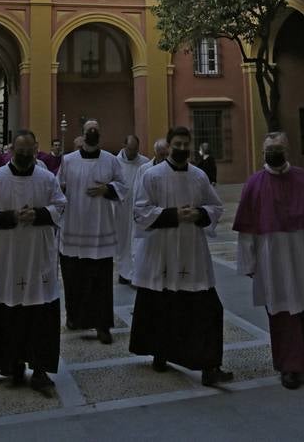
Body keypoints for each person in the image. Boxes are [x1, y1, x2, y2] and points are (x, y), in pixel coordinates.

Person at [129, 125, 234, 387]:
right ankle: (160, 352)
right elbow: (140, 211)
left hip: (191, 252)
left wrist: (198, 214)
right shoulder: (151, 175)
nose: (182, 149)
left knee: (208, 309)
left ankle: (210, 366)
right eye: (177, 144)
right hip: (161, 251)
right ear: (168, 145)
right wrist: (174, 215)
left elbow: (215, 206)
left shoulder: (199, 176)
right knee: (160, 305)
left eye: (186, 144)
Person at [233, 131, 304, 390]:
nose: (274, 153)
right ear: (262, 153)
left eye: (278, 148)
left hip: (302, 256)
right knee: (281, 310)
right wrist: (248, 262)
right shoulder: (254, 183)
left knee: (303, 306)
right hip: (272, 259)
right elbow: (246, 231)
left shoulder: (303, 179)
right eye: (269, 149)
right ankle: (289, 366)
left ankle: (302, 354)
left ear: (287, 151)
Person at [0, 129, 66, 392]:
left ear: (36, 149)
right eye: (20, 150)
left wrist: (37, 214)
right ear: (12, 149)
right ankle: (12, 364)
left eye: (29, 150)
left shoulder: (47, 178)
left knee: (40, 312)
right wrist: (13, 217)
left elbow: (60, 206)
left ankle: (39, 371)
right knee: (8, 310)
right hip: (6, 257)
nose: (25, 155)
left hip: (38, 257)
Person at [58, 119, 127, 344]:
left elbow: (123, 186)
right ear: (83, 134)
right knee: (74, 277)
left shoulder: (111, 160)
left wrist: (108, 189)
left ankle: (103, 325)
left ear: (100, 135)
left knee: (101, 281)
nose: (93, 132)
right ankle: (75, 317)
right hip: (74, 227)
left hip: (100, 230)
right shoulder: (68, 161)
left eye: (96, 129)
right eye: (89, 129)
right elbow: (58, 188)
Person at [114, 134, 149, 285]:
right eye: (130, 149)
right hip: (121, 209)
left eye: (135, 150)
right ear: (124, 146)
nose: (132, 153)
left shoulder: (145, 163)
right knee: (123, 242)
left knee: (137, 241)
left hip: (138, 209)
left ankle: (136, 273)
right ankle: (123, 273)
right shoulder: (114, 162)